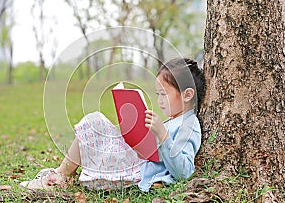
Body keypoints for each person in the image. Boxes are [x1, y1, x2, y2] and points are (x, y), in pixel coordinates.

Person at [20, 58, 205, 192]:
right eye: (157, 95)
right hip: (136, 159)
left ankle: (60, 176)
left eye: (164, 94)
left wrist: (162, 135)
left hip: (137, 169)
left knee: (94, 123)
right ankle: (61, 174)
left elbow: (184, 171)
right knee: (95, 122)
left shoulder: (190, 125)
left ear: (187, 95)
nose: (160, 101)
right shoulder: (175, 119)